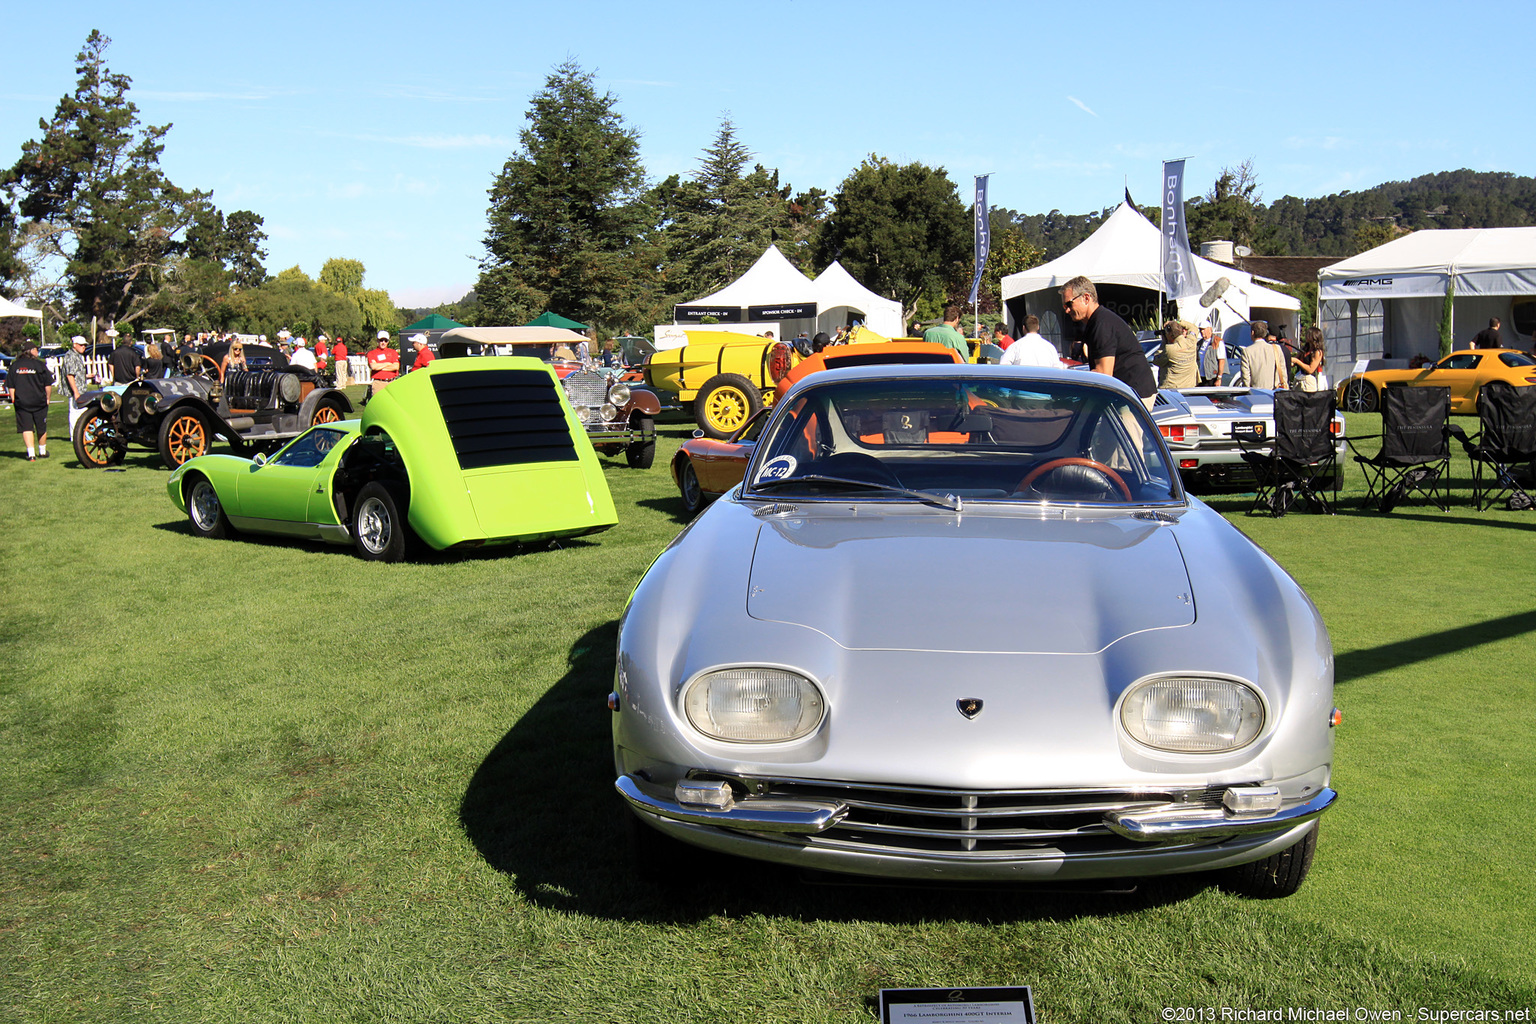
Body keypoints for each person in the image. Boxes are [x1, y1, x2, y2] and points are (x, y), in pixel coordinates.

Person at [1060, 277, 1157, 409]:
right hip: (1126, 394)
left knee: (1118, 430)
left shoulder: (1102, 324)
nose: (1066, 310)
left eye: (1069, 304)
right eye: (1064, 306)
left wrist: (1071, 382)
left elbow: (1103, 373)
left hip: (1133, 396)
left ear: (1086, 298)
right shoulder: (1096, 322)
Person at [7, 337, 54, 461]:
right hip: (39, 401)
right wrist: (48, 398)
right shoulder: (39, 364)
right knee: (41, 427)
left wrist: (13, 399)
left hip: (22, 402)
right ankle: (42, 452)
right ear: (32, 350)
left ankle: (31, 454)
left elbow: (11, 385)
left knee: (27, 427)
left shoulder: (15, 365)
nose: (37, 352)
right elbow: (47, 384)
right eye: (36, 349)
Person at [1240, 320, 1288, 390]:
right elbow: (1283, 372)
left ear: (1252, 333)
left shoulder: (1247, 351)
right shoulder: (1277, 348)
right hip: (1274, 392)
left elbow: (1246, 377)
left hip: (1256, 393)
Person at [60, 334, 92, 439]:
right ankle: (75, 437)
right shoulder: (70, 356)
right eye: (81, 345)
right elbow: (70, 375)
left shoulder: (77, 356)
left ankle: (81, 436)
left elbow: (77, 374)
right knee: (75, 413)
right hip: (76, 391)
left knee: (81, 412)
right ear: (75, 345)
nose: (84, 347)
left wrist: (87, 376)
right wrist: (76, 392)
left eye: (85, 345)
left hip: (81, 389)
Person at [1154, 320, 1200, 390]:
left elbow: (1157, 360)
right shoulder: (1191, 342)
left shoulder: (1170, 349)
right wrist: (1177, 322)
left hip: (1171, 388)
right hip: (1190, 387)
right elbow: (1194, 328)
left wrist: (1163, 342)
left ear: (1170, 335)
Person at [366, 331, 399, 400]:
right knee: (378, 402)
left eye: (385, 340)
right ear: (377, 341)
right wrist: (388, 363)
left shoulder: (393, 352)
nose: (383, 342)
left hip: (391, 382)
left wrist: (379, 366)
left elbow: (396, 366)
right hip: (378, 383)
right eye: (381, 340)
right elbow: (373, 367)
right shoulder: (372, 353)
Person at [1291, 326, 1326, 392]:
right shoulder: (1305, 348)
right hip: (1299, 378)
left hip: (1308, 382)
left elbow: (1310, 369)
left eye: (1308, 334)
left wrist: (1297, 361)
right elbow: (1295, 359)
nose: (1306, 336)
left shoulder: (1317, 352)